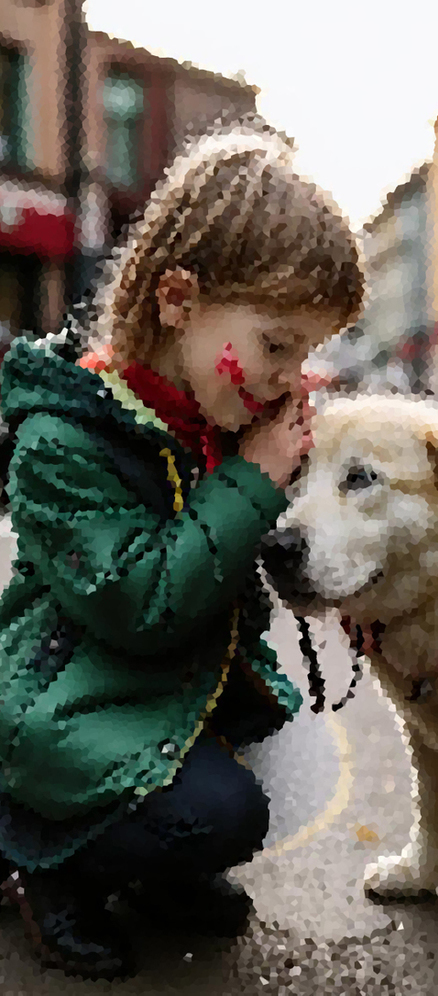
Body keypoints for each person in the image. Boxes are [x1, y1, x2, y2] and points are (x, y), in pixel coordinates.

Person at [0, 119, 364, 979]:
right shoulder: (64, 441)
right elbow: (144, 605)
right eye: (276, 345)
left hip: (158, 700)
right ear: (177, 301)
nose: (289, 376)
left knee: (265, 781)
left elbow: (251, 567)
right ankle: (42, 868)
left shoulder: (206, 421)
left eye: (305, 354)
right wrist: (249, 484)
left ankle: (150, 870)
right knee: (218, 814)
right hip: (63, 714)